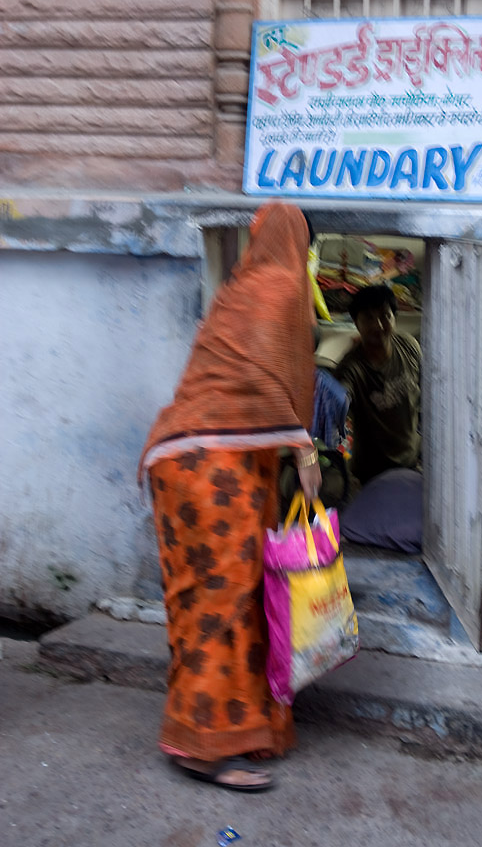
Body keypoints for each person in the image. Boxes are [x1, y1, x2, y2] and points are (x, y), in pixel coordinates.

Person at [138, 202, 321, 792]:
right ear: (299, 242)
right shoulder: (280, 285)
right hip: (211, 467)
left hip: (185, 459)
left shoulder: (241, 287)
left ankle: (232, 731)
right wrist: (306, 452)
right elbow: (269, 379)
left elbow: (250, 376)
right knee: (223, 603)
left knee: (218, 602)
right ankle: (204, 749)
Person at [334, 284, 421, 487]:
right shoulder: (351, 369)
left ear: (394, 318)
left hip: (411, 460)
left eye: (385, 316)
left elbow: (427, 395)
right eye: (368, 318)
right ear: (356, 323)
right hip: (372, 474)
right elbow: (340, 397)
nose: (378, 325)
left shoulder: (409, 346)